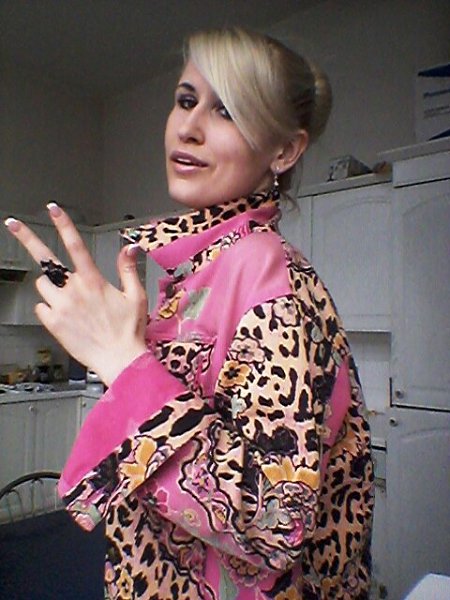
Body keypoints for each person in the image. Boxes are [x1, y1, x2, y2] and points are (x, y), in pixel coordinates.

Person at [5, 27, 373, 600]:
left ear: (283, 151)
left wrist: (122, 360)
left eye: (226, 110)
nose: (188, 126)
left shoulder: (265, 273)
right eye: (185, 100)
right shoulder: (208, 267)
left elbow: (271, 520)